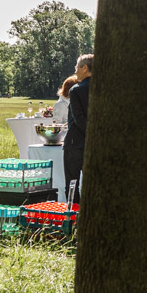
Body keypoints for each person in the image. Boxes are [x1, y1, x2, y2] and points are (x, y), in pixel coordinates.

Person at [63, 54, 92, 202]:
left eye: (77, 67)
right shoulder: (104, 88)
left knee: (72, 184)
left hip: (75, 142)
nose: (75, 70)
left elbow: (78, 118)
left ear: (84, 68)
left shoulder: (76, 90)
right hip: (94, 144)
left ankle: (73, 213)